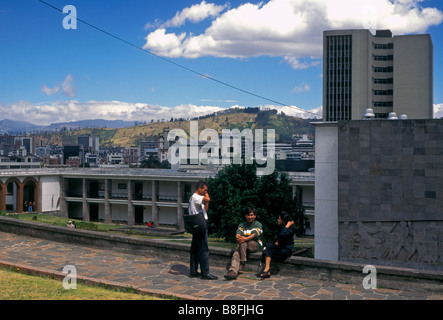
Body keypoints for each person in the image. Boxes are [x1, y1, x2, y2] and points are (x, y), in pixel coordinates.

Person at [188, 180, 218, 280]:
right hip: (200, 226)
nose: (206, 192)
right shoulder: (196, 197)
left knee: (195, 249)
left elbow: (205, 209)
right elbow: (207, 199)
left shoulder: (196, 198)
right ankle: (205, 272)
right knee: (204, 250)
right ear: (199, 188)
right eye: (205, 190)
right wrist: (207, 196)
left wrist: (206, 200)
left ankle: (193, 270)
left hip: (196, 226)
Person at [224, 207, 263, 280]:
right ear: (245, 216)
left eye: (251, 215)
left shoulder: (258, 224)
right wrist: (238, 236)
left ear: (255, 216)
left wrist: (245, 238)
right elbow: (239, 232)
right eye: (248, 215)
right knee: (236, 253)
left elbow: (255, 234)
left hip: (255, 244)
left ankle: (243, 261)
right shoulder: (242, 224)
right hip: (243, 245)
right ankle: (233, 271)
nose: (250, 217)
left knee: (242, 243)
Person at [258, 211, 295, 278]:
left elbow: (283, 234)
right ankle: (267, 270)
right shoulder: (282, 227)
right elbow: (281, 238)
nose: (277, 220)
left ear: (283, 220)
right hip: (280, 248)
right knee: (269, 246)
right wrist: (278, 242)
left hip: (286, 251)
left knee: (266, 252)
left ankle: (267, 270)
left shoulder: (290, 229)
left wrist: (287, 226)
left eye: (279, 219)